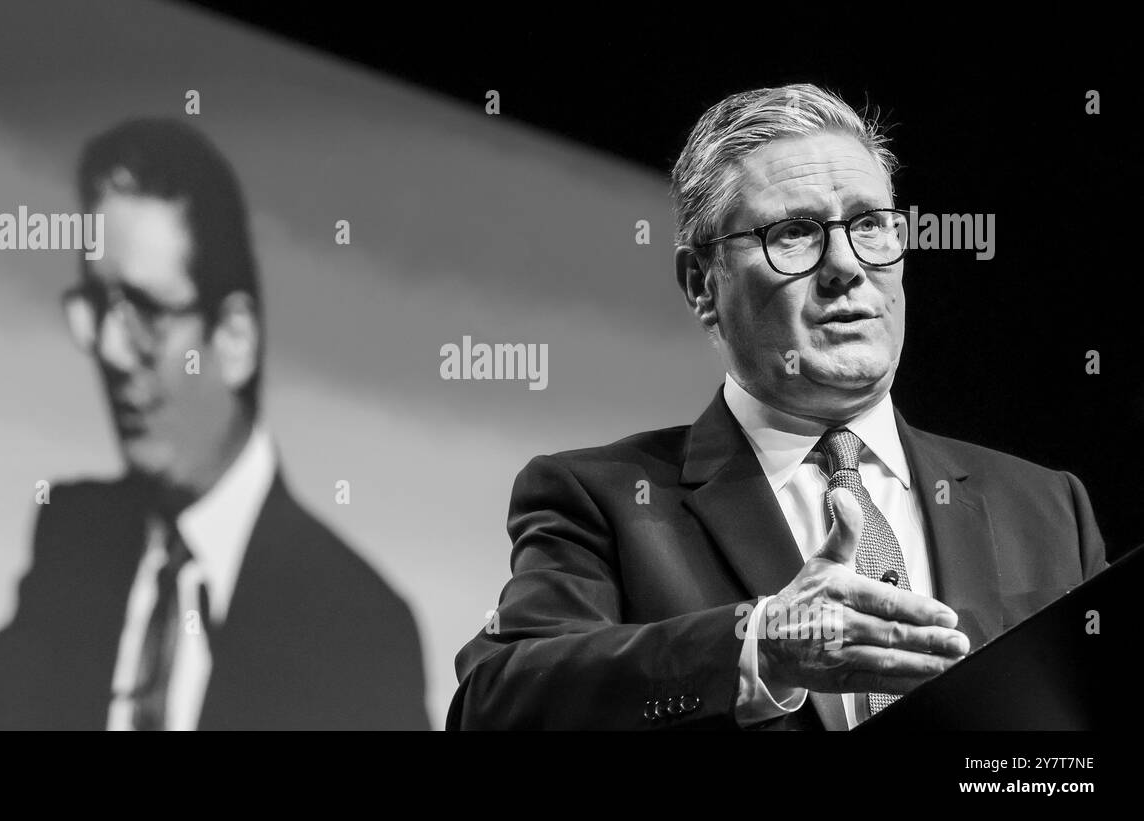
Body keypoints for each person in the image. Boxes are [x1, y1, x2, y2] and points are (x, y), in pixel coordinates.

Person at [448, 84, 1107, 731]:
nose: (846, 265)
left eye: (871, 225)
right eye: (795, 233)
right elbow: (494, 701)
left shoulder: (1048, 510)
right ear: (703, 286)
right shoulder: (603, 502)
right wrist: (758, 644)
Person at [0, 118, 429, 730]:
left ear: (235, 338)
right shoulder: (74, 538)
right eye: (99, 308)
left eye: (146, 313)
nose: (110, 349)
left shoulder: (358, 628)